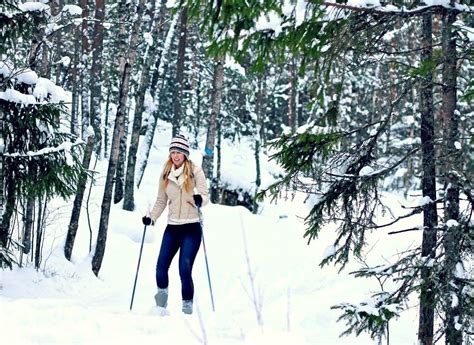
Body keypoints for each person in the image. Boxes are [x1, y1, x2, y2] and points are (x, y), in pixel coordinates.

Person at [142, 134, 208, 315]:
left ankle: (187, 311)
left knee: (184, 270)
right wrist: (152, 218)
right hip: (173, 227)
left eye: (179, 152)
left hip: (191, 228)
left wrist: (199, 199)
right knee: (161, 267)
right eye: (173, 152)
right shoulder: (166, 173)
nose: (176, 156)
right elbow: (161, 201)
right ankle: (160, 307)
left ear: (185, 154)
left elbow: (205, 195)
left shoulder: (196, 171)